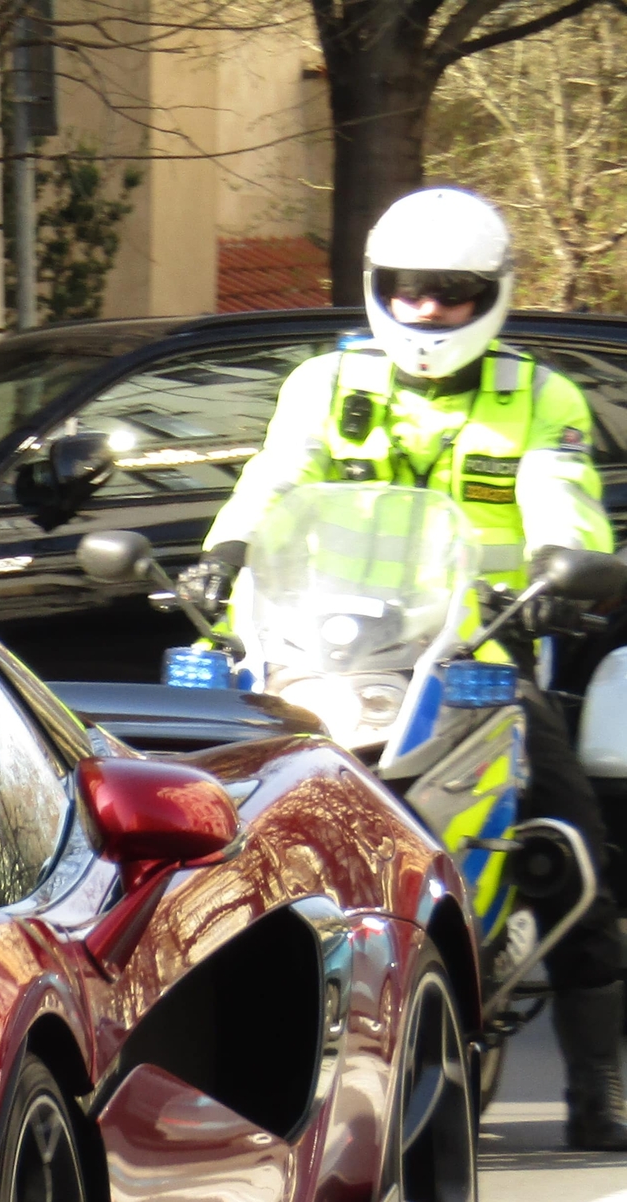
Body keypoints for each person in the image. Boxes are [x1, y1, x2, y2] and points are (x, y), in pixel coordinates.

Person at [192, 185, 627, 1148]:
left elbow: (565, 500)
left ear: (492, 294)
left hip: (476, 648)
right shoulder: (325, 384)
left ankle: (600, 1085)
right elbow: (276, 479)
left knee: (578, 847)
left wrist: (564, 570)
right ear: (375, 286)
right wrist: (222, 556)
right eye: (408, 289)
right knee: (198, 807)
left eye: (452, 292)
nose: (427, 310)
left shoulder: (538, 397)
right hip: (324, 646)